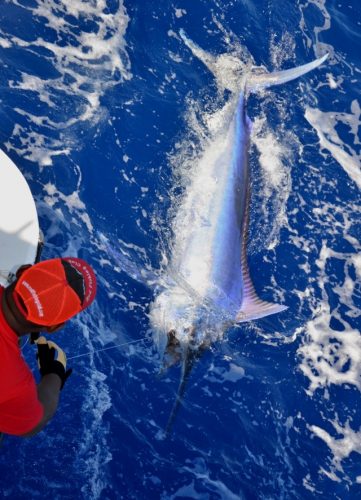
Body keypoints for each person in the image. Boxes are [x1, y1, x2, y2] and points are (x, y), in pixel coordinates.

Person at [0, 257, 96, 437]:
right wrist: (54, 374)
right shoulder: (17, 385)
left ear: (23, 270)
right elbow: (33, 424)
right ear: (54, 327)